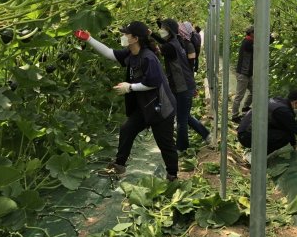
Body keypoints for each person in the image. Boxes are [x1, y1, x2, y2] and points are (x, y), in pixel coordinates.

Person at [73, 21, 179, 181]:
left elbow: (153, 83)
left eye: (125, 34)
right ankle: (119, 166)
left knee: (165, 145)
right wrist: (89, 39)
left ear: (135, 38)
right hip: (145, 106)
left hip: (161, 108)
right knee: (127, 129)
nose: (123, 36)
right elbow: (110, 53)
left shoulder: (148, 57)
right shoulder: (131, 53)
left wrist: (130, 87)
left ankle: (172, 176)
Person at [153, 18, 210, 152]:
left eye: (163, 29)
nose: (160, 31)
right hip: (185, 84)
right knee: (185, 116)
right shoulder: (176, 41)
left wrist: (147, 37)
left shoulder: (171, 46)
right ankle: (206, 134)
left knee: (181, 121)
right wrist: (152, 34)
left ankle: (182, 147)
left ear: (170, 31)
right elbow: (163, 43)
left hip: (182, 86)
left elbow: (160, 48)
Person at [237, 89, 297, 162]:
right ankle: (255, 157)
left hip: (245, 132)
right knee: (284, 137)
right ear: (296, 103)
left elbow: (289, 128)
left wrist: (295, 147)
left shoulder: (277, 101)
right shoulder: (283, 111)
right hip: (247, 136)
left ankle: (253, 151)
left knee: (284, 133)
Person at [231, 25, 254, 123]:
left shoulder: (249, 41)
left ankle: (245, 108)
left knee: (254, 91)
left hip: (247, 73)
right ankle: (234, 116)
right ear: (251, 33)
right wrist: (271, 38)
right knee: (239, 95)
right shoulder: (247, 42)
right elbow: (260, 46)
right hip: (243, 74)